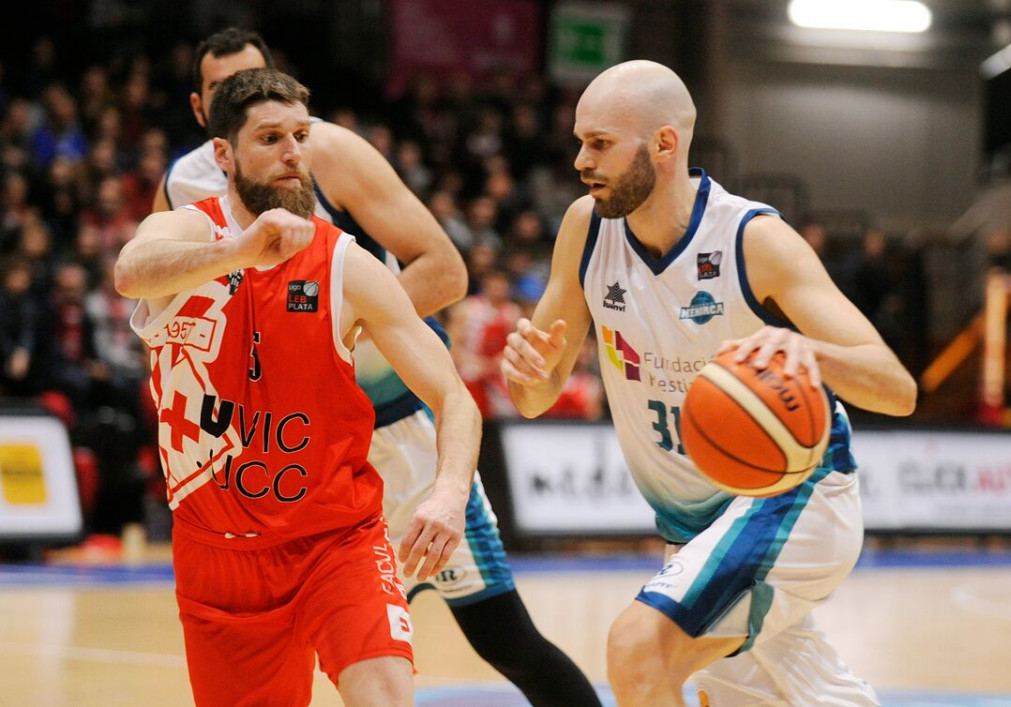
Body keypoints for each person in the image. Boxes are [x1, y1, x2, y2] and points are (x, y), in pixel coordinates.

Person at [153, 28, 602, 707]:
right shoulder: (183, 187)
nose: (246, 96)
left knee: (500, 636)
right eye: (224, 89)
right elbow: (155, 294)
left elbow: (445, 270)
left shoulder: (326, 152)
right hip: (279, 461)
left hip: (399, 433)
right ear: (202, 111)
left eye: (257, 78)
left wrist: (338, 334)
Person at [501, 59, 917, 707]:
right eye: (581, 141)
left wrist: (804, 348)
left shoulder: (753, 239)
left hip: (793, 497)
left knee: (640, 645)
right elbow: (537, 395)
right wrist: (525, 376)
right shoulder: (585, 228)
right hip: (693, 523)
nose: (581, 160)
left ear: (665, 144)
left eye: (600, 143)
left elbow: (897, 387)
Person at [114, 68, 481, 707]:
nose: (292, 153)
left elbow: (454, 396)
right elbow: (130, 271)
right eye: (270, 138)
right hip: (216, 554)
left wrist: (448, 494)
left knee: (386, 695)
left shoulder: (345, 262)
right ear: (224, 153)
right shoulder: (191, 234)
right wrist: (240, 254)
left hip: (336, 543)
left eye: (301, 136)